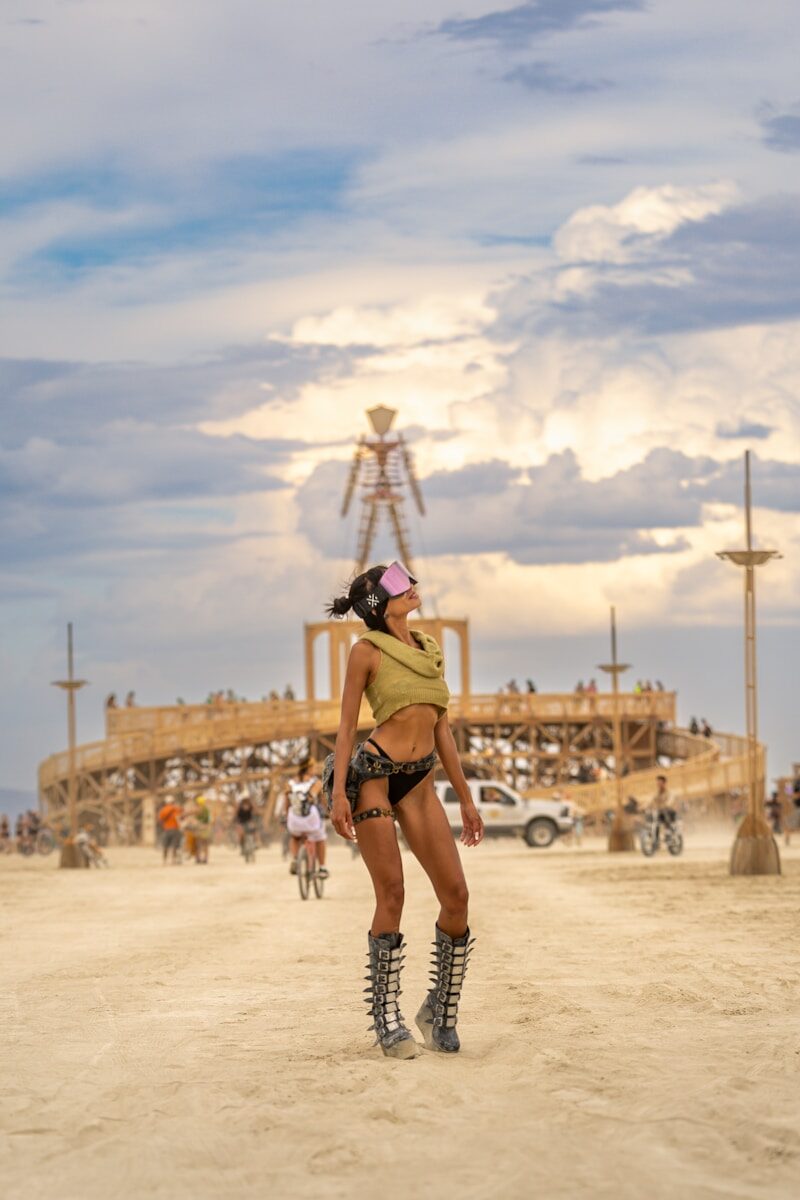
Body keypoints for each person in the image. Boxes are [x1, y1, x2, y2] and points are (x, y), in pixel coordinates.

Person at [324, 560, 483, 1060]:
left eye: (408, 578)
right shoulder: (365, 652)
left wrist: (467, 798)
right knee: (392, 892)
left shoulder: (430, 650)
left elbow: (442, 730)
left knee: (456, 895)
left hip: (421, 784)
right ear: (377, 603)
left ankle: (441, 1009)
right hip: (374, 778)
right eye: (398, 584)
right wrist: (337, 795)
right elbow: (347, 725)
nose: (411, 587)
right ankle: (387, 1018)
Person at [285, 764, 328, 879]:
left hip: (294, 818)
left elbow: (287, 802)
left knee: (294, 837)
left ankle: (295, 858)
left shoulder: (290, 783)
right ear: (309, 769)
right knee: (320, 838)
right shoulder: (316, 782)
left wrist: (286, 815)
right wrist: (326, 812)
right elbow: (322, 800)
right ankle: (322, 867)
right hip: (311, 819)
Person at [158, 798, 183, 864]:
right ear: (173, 802)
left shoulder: (163, 810)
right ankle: (173, 860)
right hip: (175, 829)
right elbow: (182, 815)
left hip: (167, 829)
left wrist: (163, 827)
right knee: (174, 845)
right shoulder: (176, 809)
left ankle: (164, 860)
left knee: (165, 846)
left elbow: (160, 819)